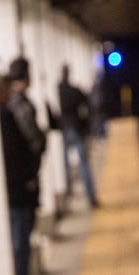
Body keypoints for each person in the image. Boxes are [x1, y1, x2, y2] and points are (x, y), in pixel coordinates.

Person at [5, 58, 46, 275]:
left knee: (22, 241)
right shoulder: (21, 106)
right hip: (22, 186)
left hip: (20, 185)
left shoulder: (10, 105)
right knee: (21, 242)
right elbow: (32, 142)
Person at [58, 64, 99, 207]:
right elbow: (86, 103)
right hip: (76, 128)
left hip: (64, 129)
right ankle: (90, 196)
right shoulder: (74, 91)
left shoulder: (59, 91)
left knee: (65, 164)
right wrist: (86, 124)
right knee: (83, 162)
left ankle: (68, 194)